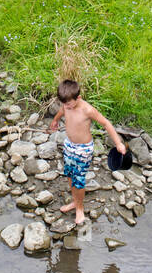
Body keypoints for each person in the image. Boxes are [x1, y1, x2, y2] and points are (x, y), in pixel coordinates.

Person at [47, 79, 128, 226]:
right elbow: (61, 111)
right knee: (70, 175)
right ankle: (74, 201)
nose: (66, 107)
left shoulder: (87, 110)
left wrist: (118, 143)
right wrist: (55, 121)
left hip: (83, 149)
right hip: (69, 145)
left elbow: (106, 123)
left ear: (78, 98)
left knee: (79, 180)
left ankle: (79, 208)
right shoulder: (66, 105)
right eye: (64, 103)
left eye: (69, 104)